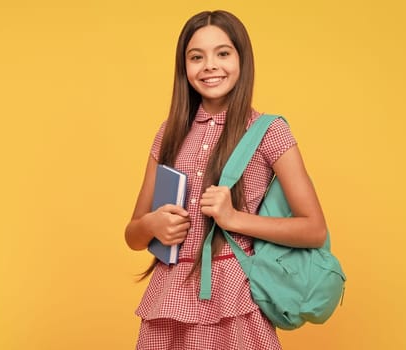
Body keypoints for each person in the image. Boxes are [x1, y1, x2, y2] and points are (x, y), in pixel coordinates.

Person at [124, 10, 328, 349]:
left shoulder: (269, 131)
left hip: (235, 299)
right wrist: (153, 224)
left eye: (222, 53)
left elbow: (314, 229)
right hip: (168, 298)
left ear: (241, 59)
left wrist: (233, 218)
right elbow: (132, 235)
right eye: (196, 57)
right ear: (183, 66)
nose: (209, 66)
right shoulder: (169, 133)